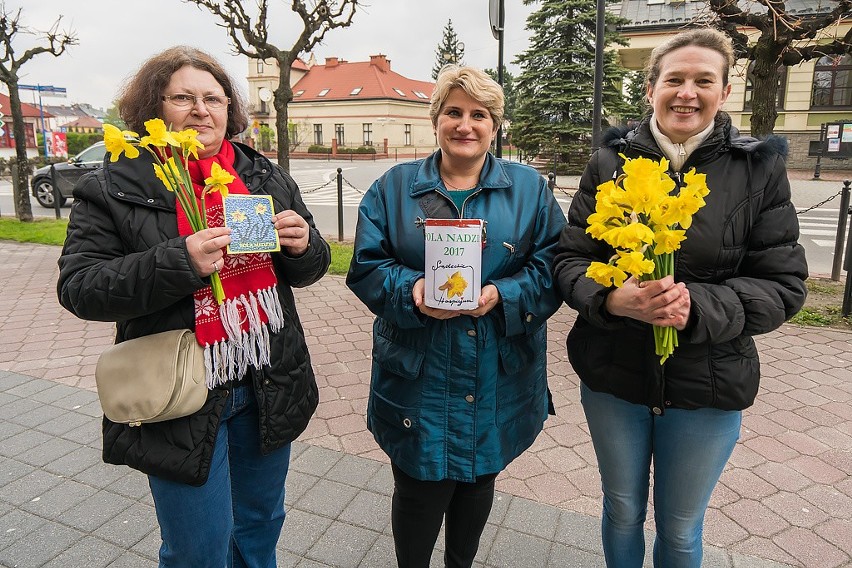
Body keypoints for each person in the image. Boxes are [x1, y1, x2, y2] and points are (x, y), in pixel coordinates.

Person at [57, 46, 330, 568]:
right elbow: (80, 287)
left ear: (231, 109)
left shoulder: (260, 175)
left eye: (214, 98)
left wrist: (304, 247)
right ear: (153, 109)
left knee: (259, 530)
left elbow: (308, 271)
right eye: (183, 98)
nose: (201, 110)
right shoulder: (115, 183)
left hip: (267, 382)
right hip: (181, 390)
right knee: (197, 551)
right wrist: (178, 261)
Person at [552, 28, 808, 567]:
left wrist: (697, 308)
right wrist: (611, 300)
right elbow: (569, 260)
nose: (686, 92)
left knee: (681, 527)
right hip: (614, 374)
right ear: (651, 89)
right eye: (674, 79)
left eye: (703, 81)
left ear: (724, 91)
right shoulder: (608, 162)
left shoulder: (759, 168)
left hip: (707, 381)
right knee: (621, 509)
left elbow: (784, 285)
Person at [346, 65, 567, 567]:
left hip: (496, 370)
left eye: (479, 115)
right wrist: (412, 291)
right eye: (454, 112)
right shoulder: (393, 188)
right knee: (419, 485)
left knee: (477, 479)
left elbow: (554, 266)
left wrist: (502, 294)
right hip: (419, 372)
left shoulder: (530, 189)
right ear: (436, 120)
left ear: (494, 126)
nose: (465, 124)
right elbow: (366, 266)